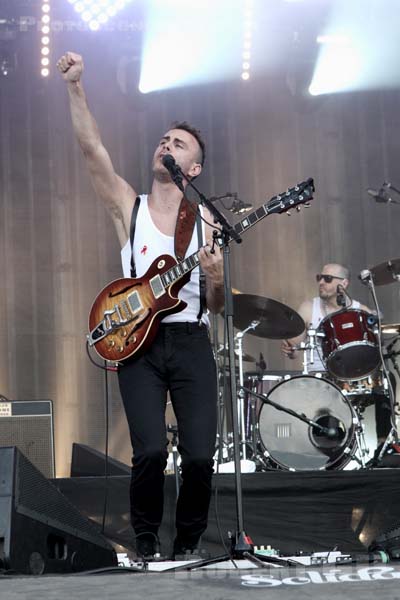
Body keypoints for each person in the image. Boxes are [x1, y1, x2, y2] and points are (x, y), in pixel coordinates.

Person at [56, 52, 224, 559]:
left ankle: (189, 541)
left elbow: (215, 302)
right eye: (163, 140)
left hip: (192, 339)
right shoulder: (128, 206)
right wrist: (76, 87)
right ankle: (147, 538)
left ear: (192, 167)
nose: (165, 146)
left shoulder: (208, 220)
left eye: (177, 144)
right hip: (137, 340)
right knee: (148, 450)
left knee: (198, 455)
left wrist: (214, 277)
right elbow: (91, 148)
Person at [282, 263, 391, 445]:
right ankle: (331, 450)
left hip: (354, 375)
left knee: (386, 382)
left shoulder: (360, 309)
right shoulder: (310, 307)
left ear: (344, 284)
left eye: (327, 279)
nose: (321, 283)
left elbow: (375, 343)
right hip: (320, 377)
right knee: (327, 419)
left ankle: (384, 445)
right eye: (319, 278)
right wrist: (290, 349)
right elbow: (294, 344)